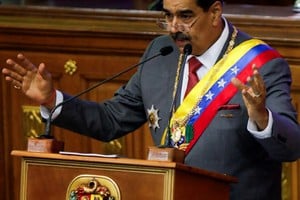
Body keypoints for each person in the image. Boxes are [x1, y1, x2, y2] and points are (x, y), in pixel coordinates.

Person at [2, 0, 300, 199]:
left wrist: (261, 116)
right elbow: (111, 120)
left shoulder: (260, 64)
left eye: (185, 16)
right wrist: (52, 99)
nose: (173, 28)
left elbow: (292, 147)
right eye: (167, 16)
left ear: (214, 11)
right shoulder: (162, 52)